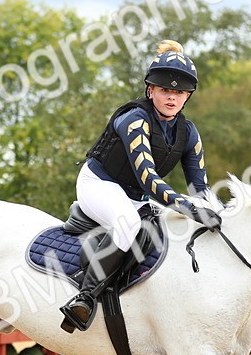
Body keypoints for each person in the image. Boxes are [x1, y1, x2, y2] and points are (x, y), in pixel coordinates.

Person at [60, 39, 222, 332]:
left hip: (136, 194)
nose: (172, 98)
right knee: (128, 224)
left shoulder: (188, 132)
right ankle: (83, 299)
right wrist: (189, 209)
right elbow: (148, 178)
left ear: (187, 96)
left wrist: (217, 212)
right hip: (100, 184)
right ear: (151, 91)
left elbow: (200, 186)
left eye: (179, 92)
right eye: (165, 91)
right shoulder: (134, 120)